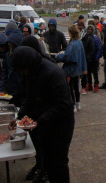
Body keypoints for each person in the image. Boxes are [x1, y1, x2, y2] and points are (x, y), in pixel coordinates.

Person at [10, 46, 75, 183]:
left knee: (59, 161)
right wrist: (19, 117)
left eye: (23, 68)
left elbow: (62, 104)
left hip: (61, 123)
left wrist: (39, 121)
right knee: (47, 159)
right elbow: (29, 96)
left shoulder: (53, 73)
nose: (23, 72)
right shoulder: (32, 72)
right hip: (45, 122)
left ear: (29, 63)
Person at [55, 25, 87, 113]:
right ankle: (78, 103)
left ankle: (73, 105)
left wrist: (58, 56)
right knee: (76, 87)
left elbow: (67, 57)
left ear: (71, 33)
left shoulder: (73, 44)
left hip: (71, 69)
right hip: (77, 69)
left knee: (70, 88)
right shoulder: (79, 42)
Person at [82, 25, 101, 93]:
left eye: (91, 29)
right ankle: (89, 84)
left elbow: (99, 48)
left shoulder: (96, 38)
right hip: (88, 59)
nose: (89, 30)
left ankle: (96, 84)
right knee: (88, 73)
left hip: (94, 58)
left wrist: (96, 57)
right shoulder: (85, 38)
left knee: (95, 73)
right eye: (88, 29)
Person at [79, 22, 95, 94]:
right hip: (78, 58)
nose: (80, 29)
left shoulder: (88, 38)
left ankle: (83, 87)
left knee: (84, 74)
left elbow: (92, 49)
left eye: (81, 28)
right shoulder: (76, 37)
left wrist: (88, 58)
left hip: (85, 58)